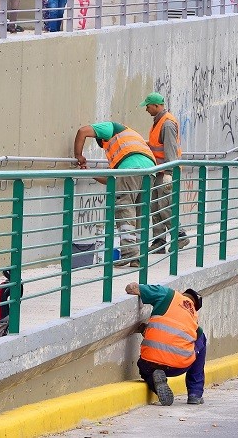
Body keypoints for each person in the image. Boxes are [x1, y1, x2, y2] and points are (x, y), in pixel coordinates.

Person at [74, 121, 155, 265]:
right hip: (150, 171)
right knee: (141, 211)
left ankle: (130, 253)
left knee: (124, 207)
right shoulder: (130, 141)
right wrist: (89, 173)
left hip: (132, 170)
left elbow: (82, 131)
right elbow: (112, 181)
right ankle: (138, 255)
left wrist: (78, 156)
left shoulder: (111, 128)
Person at [126, 282, 206, 406]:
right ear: (194, 307)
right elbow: (175, 336)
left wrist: (133, 286)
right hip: (178, 367)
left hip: (150, 363)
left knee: (145, 369)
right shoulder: (193, 318)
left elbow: (132, 289)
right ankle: (195, 394)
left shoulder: (169, 295)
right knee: (201, 338)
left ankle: (155, 381)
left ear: (182, 293)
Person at [140, 92, 189, 253]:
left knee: (164, 206)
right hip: (158, 171)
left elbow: (170, 150)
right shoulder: (159, 122)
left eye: (148, 106)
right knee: (155, 206)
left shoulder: (167, 123)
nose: (146, 109)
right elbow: (157, 145)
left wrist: (169, 172)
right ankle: (159, 241)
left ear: (156, 105)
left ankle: (180, 235)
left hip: (166, 172)